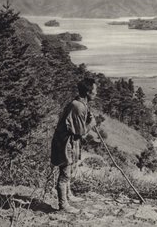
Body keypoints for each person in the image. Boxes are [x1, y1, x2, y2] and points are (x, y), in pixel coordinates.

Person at [51, 77, 96, 213]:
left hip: (70, 142)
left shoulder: (81, 104)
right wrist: (91, 124)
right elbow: (80, 132)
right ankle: (63, 205)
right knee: (65, 173)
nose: (96, 93)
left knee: (70, 170)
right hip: (65, 143)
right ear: (88, 92)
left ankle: (68, 195)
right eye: (95, 90)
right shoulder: (78, 106)